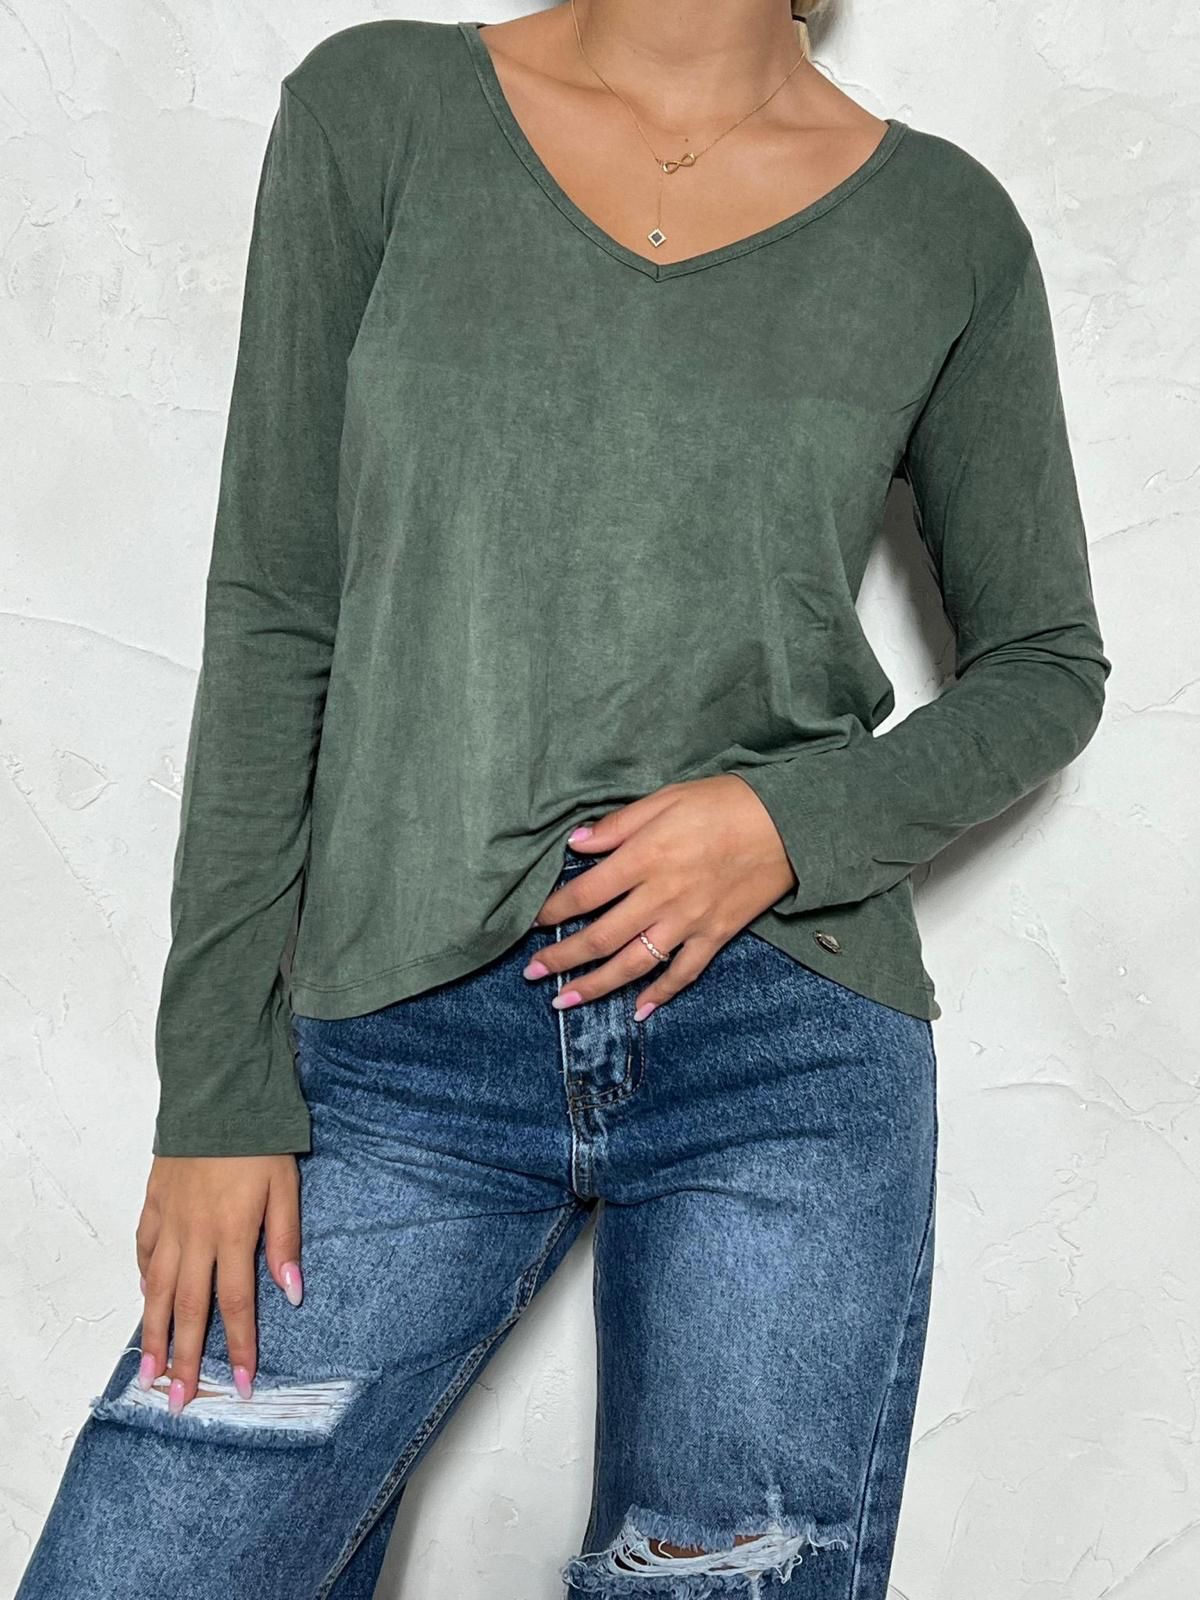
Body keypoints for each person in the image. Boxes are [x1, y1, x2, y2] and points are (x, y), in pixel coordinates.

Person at [15, 2, 1111, 1596]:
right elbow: (276, 610)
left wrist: (785, 827)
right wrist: (218, 1091)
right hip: (397, 1047)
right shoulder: (383, 108)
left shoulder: (943, 228)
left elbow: (1047, 666)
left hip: (780, 1055)